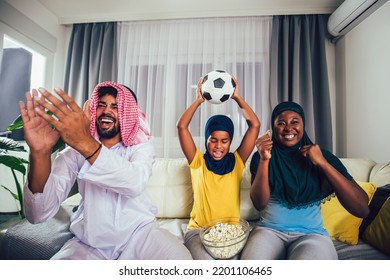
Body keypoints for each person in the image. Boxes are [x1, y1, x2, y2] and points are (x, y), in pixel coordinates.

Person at [19, 81, 193, 260]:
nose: (106, 111)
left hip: (140, 235)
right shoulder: (74, 152)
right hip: (90, 244)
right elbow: (38, 214)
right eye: (101, 105)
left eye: (116, 106)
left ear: (127, 114)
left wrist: (84, 142)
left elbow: (134, 183)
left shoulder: (140, 147)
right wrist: (40, 153)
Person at [240, 101, 369, 260]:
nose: (288, 128)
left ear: (303, 125)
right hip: (269, 231)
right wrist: (264, 160)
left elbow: (362, 209)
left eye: (295, 122)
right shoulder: (261, 155)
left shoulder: (323, 156)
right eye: (281, 123)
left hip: (311, 235)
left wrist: (322, 163)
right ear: (273, 127)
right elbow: (259, 203)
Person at [176, 76, 260, 259]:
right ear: (206, 139)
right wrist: (198, 100)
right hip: (198, 232)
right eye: (213, 140)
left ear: (230, 141)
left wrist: (237, 98)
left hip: (231, 233)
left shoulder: (237, 162)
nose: (218, 146)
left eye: (224, 141)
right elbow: (181, 127)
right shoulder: (197, 162)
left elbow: (255, 125)